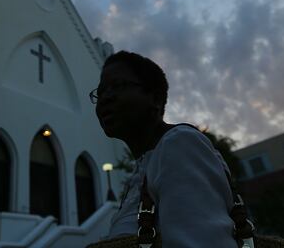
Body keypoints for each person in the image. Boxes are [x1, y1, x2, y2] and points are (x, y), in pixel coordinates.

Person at [88, 50, 241, 247]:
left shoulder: (179, 144)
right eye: (100, 93)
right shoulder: (144, 169)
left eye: (117, 86)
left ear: (155, 98)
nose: (105, 98)